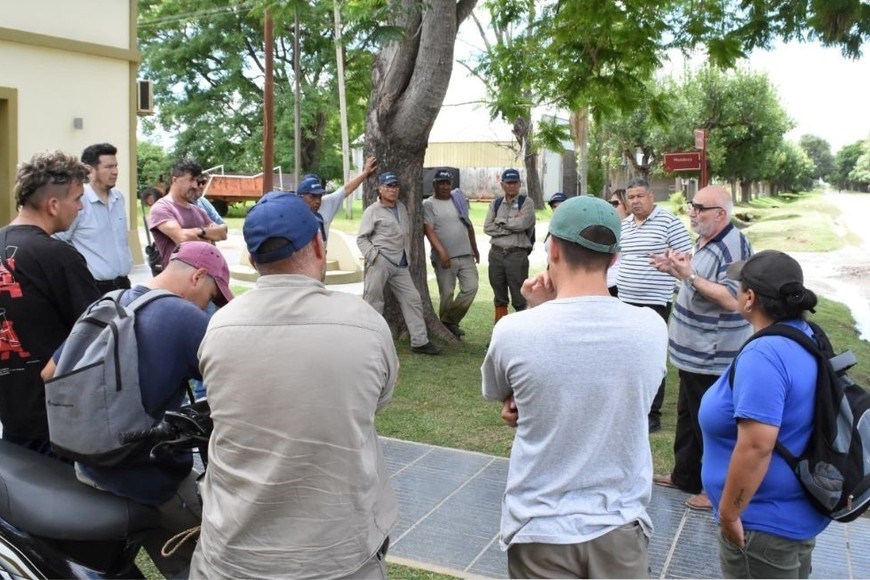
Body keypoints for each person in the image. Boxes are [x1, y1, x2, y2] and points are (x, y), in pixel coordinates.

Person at [190, 193, 398, 580]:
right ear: (319, 245)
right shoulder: (365, 323)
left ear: (253, 260)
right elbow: (377, 401)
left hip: (233, 552)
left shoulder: (219, 326)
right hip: (340, 554)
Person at [482, 197, 668, 579]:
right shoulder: (651, 327)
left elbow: (503, 392)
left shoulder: (514, 331)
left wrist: (537, 309)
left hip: (539, 528)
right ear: (614, 258)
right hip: (620, 528)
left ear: (552, 248)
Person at [49, 241, 232, 576]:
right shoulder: (186, 317)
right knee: (218, 542)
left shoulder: (109, 301)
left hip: (88, 463)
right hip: (144, 476)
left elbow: (49, 372)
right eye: (212, 295)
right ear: (198, 276)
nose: (210, 305)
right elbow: (237, 389)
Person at [700, 250, 828, 578]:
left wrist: (729, 514)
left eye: (739, 287)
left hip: (760, 526)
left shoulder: (765, 355)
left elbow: (758, 446)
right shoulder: (806, 334)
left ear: (750, 298)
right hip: (794, 515)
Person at [650, 185, 753, 510]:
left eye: (700, 208)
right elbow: (699, 281)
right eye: (692, 206)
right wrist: (677, 270)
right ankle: (685, 476)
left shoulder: (733, 246)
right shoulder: (707, 239)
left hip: (712, 355)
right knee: (687, 415)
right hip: (691, 352)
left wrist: (689, 275)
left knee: (712, 422)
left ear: (721, 214)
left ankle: (715, 490)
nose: (692, 212)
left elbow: (733, 299)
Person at [0, 151, 100, 455]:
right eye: (78, 198)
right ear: (53, 205)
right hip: (57, 423)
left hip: (10, 417)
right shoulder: (60, 258)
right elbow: (97, 333)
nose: (81, 207)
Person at [617, 177, 693, 433]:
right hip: (625, 301)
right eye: (631, 197)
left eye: (640, 196)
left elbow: (687, 257)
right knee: (626, 356)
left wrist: (671, 263)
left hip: (655, 303)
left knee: (651, 356)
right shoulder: (624, 225)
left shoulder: (669, 223)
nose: (635, 201)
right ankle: (630, 408)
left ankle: (652, 413)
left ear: (651, 197)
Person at [357, 171, 440, 355]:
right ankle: (369, 343)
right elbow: (361, 239)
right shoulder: (372, 211)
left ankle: (419, 342)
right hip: (381, 261)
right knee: (373, 302)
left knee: (413, 299)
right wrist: (375, 257)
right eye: (388, 186)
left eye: (395, 186)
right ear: (380, 188)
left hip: (401, 263)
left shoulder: (401, 207)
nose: (392, 190)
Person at [54, 143, 134, 295]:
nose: (115, 172)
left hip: (123, 285)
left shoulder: (119, 197)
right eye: (108, 167)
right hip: (92, 288)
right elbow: (57, 240)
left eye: (116, 166)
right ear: (89, 170)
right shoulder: (78, 201)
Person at [422, 169, 480, 338]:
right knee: (447, 293)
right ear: (434, 184)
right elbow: (429, 230)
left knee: (471, 287)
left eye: (447, 183)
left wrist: (475, 249)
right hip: (445, 257)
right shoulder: (429, 204)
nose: (445, 186)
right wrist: (442, 253)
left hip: (465, 254)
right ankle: (447, 327)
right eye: (441, 183)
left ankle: (449, 320)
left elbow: (468, 226)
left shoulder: (458, 200)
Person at [148, 158, 228, 270]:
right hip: (178, 281)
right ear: (175, 180)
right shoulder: (162, 208)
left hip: (207, 277)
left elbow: (222, 233)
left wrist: (200, 232)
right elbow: (182, 239)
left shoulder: (198, 210)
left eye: (196, 180)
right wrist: (209, 236)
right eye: (191, 180)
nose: (195, 185)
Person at [483, 168, 536, 323]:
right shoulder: (496, 203)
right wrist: (512, 227)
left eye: (515, 183)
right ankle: (500, 331)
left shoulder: (526, 202)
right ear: (502, 184)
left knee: (520, 297)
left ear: (519, 184)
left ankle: (522, 330)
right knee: (499, 297)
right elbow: (487, 227)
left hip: (516, 255)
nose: (512, 186)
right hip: (496, 254)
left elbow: (523, 224)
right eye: (508, 183)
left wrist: (501, 222)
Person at [297, 155, 377, 242]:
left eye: (320, 196)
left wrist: (365, 172)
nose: (317, 201)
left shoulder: (327, 203)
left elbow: (346, 189)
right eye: (312, 196)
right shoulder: (290, 212)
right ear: (301, 197)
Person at [606, 188, 628, 296]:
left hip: (621, 286)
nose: (611, 207)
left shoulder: (633, 230)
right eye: (610, 203)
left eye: (615, 203)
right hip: (605, 285)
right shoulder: (610, 227)